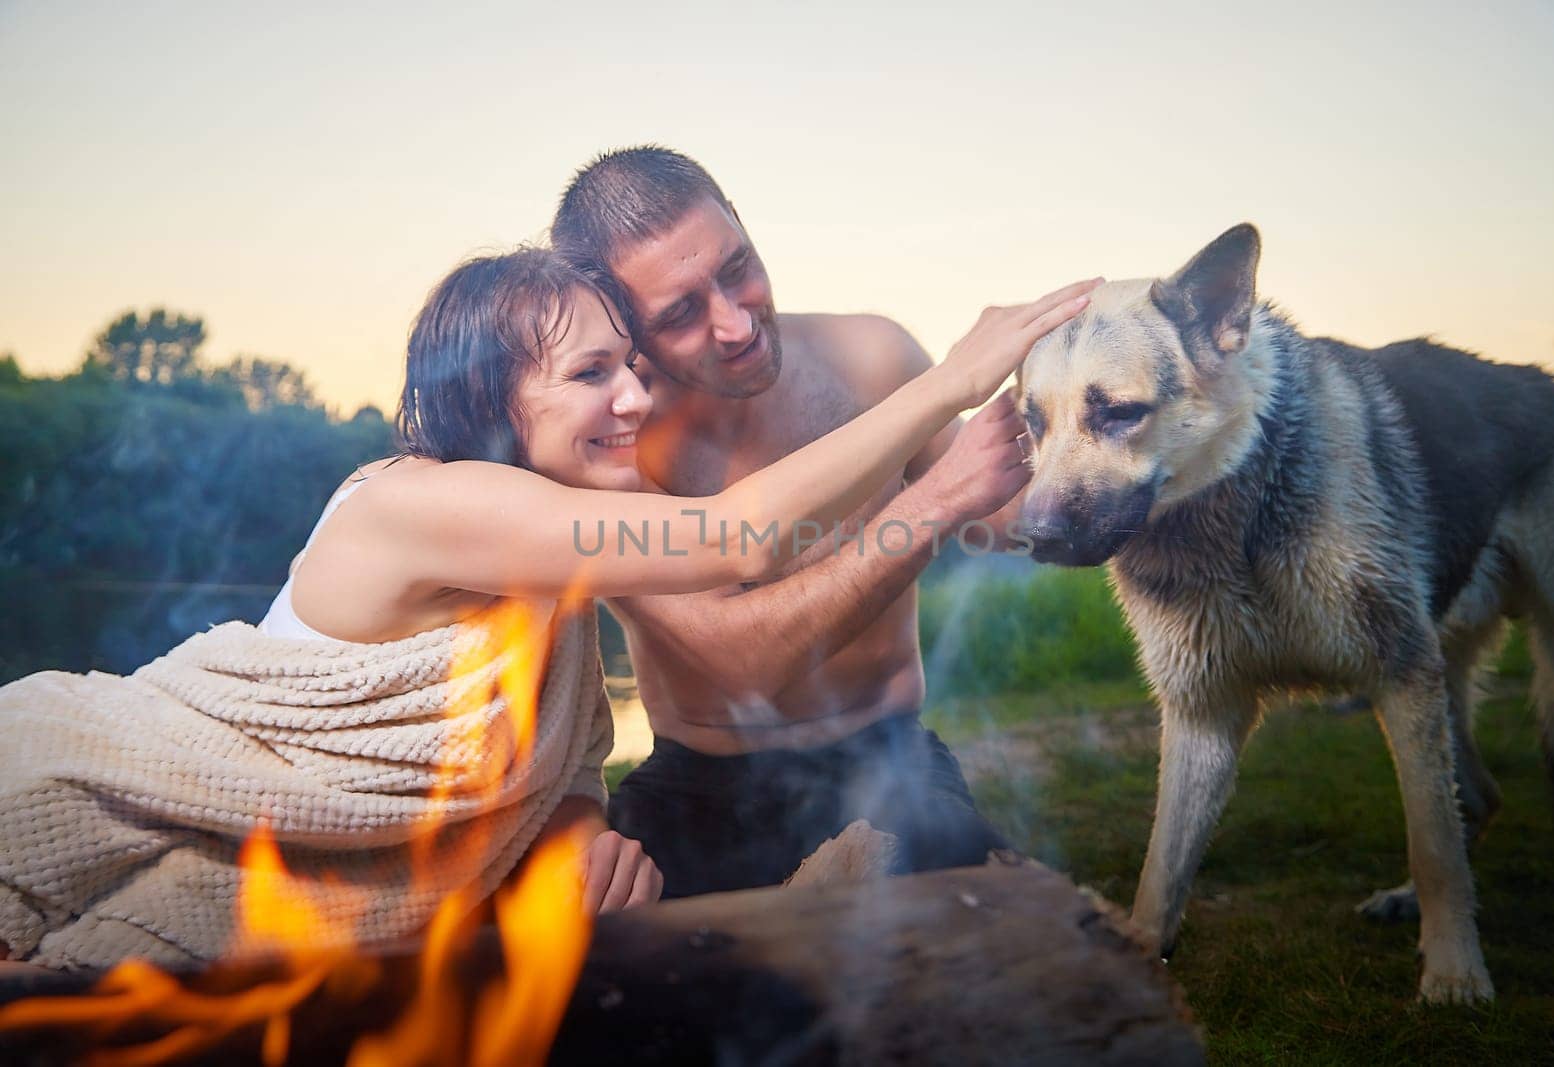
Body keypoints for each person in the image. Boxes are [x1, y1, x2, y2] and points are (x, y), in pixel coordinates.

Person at [0, 246, 1090, 969]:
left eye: (630, 364)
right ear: (491, 396)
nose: (634, 398)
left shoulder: (549, 555)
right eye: (590, 374)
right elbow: (734, 534)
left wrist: (579, 836)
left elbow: (551, 752)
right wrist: (946, 386)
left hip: (298, 860)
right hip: (107, 792)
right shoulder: (426, 502)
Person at [552, 145, 1104, 896]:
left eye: (737, 266)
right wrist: (937, 498)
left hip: (884, 756)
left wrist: (1079, 401)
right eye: (680, 313)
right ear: (622, 330)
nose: (736, 322)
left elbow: (1006, 517)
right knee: (627, 987)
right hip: (698, 783)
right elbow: (744, 665)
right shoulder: (613, 448)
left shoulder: (871, 353)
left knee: (992, 950)